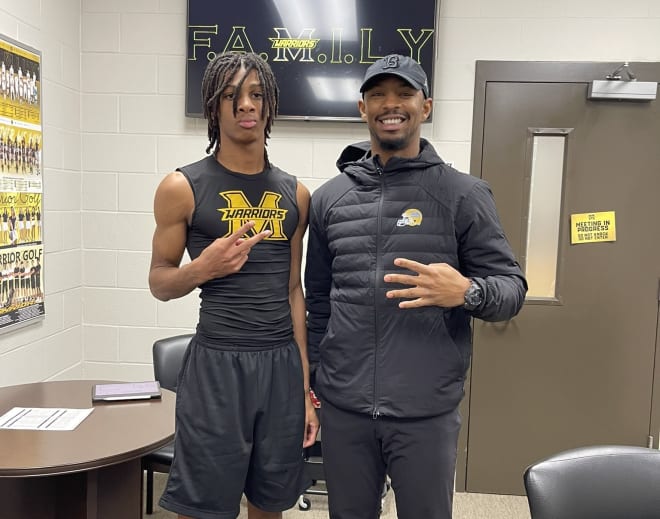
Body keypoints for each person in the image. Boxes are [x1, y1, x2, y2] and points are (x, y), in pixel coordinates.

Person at [304, 54, 528, 519]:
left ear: (425, 106)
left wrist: (467, 292)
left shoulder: (463, 194)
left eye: (404, 94)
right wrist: (314, 383)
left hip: (424, 409)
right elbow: (320, 303)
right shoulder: (329, 199)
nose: (392, 105)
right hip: (344, 408)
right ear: (362, 108)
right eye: (378, 95)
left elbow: (511, 290)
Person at [149, 51, 319, 519]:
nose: (246, 105)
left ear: (269, 106)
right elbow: (160, 282)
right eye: (232, 96)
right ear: (213, 107)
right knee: (203, 508)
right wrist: (201, 269)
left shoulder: (295, 194)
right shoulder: (182, 187)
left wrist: (305, 390)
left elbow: (293, 291)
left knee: (270, 504)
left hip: (280, 367)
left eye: (257, 95)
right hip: (217, 367)